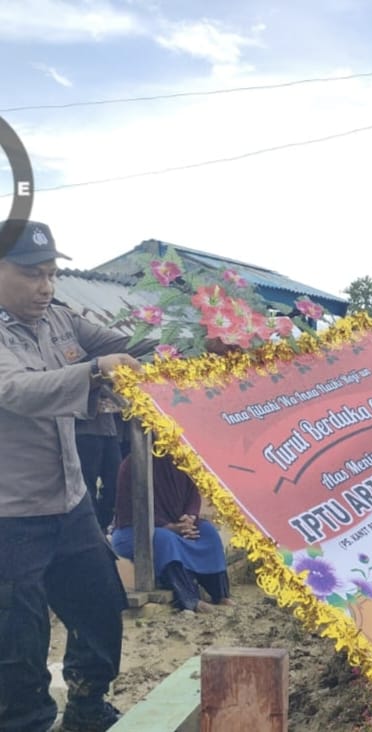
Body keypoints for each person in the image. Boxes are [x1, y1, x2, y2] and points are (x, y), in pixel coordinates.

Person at [0, 220, 143, 732]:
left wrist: (195, 346)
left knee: (100, 606)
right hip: (12, 515)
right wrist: (96, 370)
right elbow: (15, 390)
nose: (46, 287)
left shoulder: (60, 319)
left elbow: (133, 344)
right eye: (31, 274)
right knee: (18, 638)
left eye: (51, 274)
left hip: (71, 501)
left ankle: (86, 705)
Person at [112, 454, 232, 613]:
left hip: (178, 525)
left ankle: (220, 594)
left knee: (208, 533)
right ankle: (190, 599)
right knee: (165, 540)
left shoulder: (182, 460)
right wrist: (169, 527)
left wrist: (190, 517)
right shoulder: (132, 465)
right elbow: (135, 510)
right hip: (135, 531)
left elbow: (193, 492)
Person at [75, 394, 124, 532]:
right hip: (84, 428)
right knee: (88, 484)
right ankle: (93, 527)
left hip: (108, 428)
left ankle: (102, 523)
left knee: (116, 480)